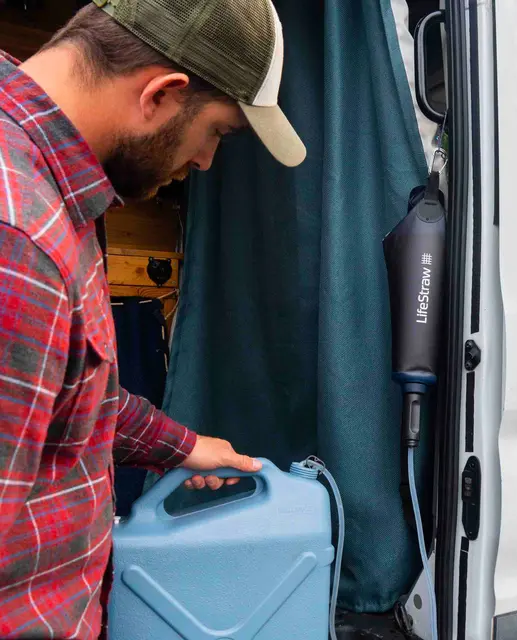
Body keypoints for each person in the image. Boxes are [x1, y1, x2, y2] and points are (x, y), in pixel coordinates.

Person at [0, 0, 306, 637]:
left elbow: (71, 396)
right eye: (218, 132)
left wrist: (186, 447)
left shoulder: (56, 191)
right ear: (163, 94)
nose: (205, 162)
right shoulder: (18, 238)